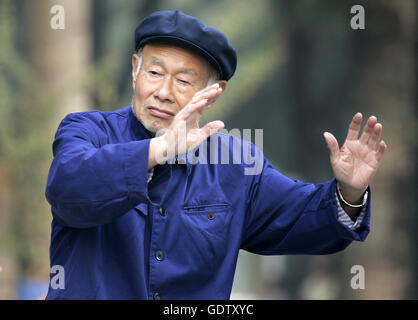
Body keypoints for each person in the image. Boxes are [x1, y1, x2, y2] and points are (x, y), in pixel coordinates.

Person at [44, 10, 386, 300]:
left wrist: (349, 193)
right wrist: (158, 151)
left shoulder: (237, 165)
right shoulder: (86, 131)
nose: (163, 92)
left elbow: (306, 221)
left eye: (183, 81)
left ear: (213, 92)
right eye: (154, 72)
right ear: (135, 69)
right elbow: (68, 188)